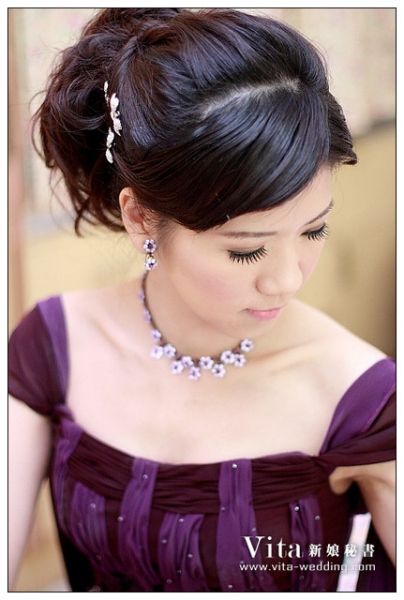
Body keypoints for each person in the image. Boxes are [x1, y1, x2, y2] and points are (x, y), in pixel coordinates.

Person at [9, 8, 395, 593]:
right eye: (246, 250)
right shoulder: (54, 346)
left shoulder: (363, 398)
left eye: (313, 230)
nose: (286, 280)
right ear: (141, 218)